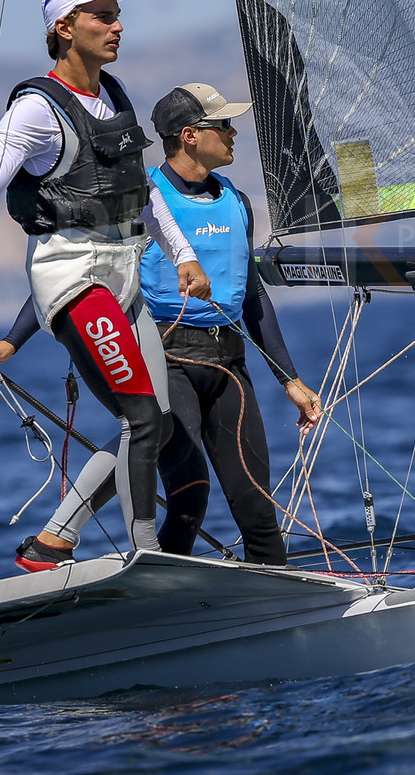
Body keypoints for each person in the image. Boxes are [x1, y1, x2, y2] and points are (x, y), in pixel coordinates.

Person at [0, 0, 210, 570]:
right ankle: (149, 556)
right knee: (142, 418)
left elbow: (139, 190)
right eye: (103, 16)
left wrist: (183, 254)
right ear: (63, 28)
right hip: (74, 277)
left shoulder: (114, 94)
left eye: (117, 15)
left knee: (159, 423)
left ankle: (54, 541)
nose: (118, 26)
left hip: (125, 273)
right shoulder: (36, 109)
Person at [140, 83, 323, 565]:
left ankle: (281, 598)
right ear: (190, 135)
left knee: (258, 508)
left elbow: (253, 295)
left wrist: (289, 379)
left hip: (229, 365)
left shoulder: (237, 202)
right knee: (189, 498)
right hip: (168, 362)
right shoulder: (144, 199)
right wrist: (14, 341)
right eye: (222, 125)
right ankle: (161, 590)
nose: (233, 132)